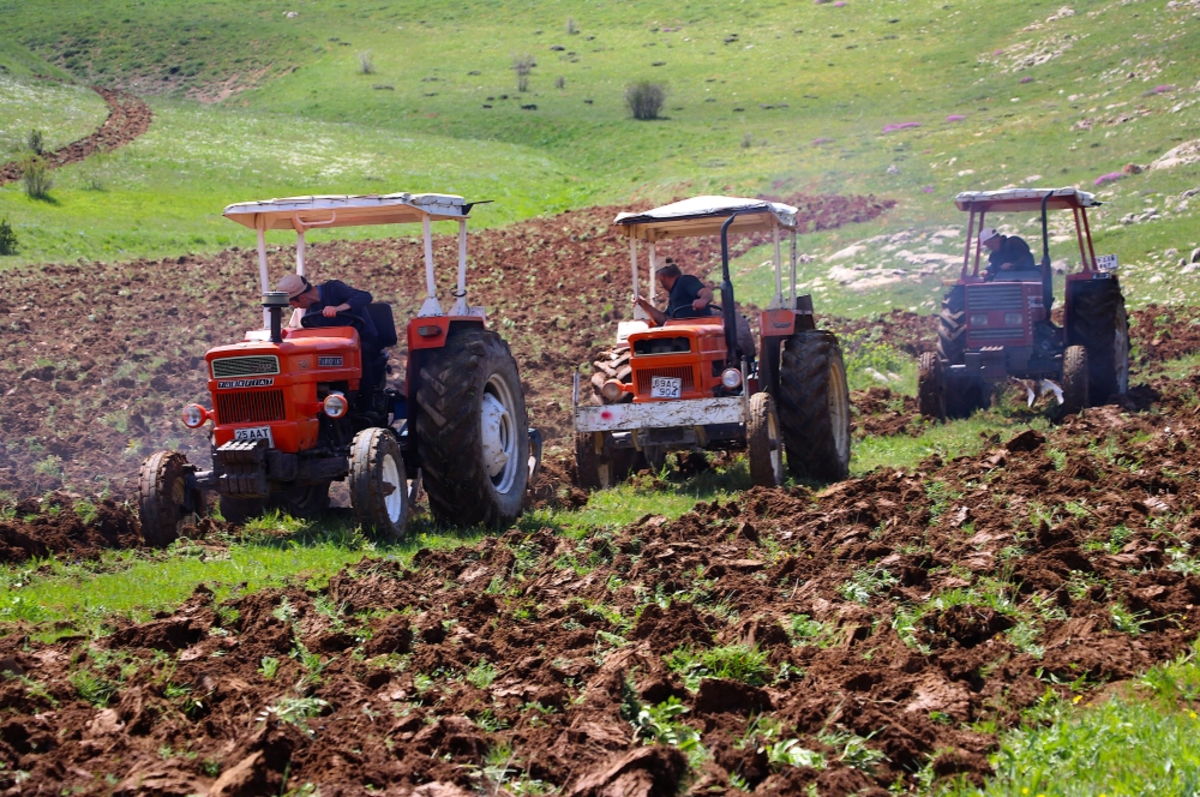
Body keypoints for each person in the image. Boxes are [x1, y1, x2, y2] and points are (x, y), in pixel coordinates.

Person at [276, 273, 385, 396]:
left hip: (364, 339)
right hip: (335, 348)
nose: (295, 307)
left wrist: (339, 308)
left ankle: (367, 403)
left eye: (293, 304)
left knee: (360, 353)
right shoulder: (311, 312)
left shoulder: (333, 288)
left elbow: (365, 297)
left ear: (302, 297)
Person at [633, 260, 715, 326]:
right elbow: (665, 319)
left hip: (698, 330)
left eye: (658, 280)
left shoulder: (685, 281)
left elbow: (706, 292)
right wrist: (643, 304)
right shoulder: (673, 294)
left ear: (662, 276)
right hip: (683, 333)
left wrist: (703, 300)